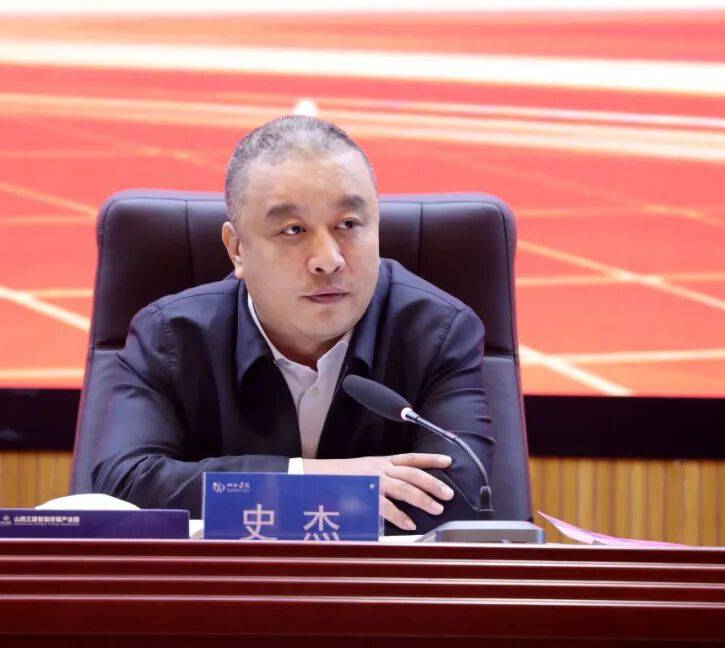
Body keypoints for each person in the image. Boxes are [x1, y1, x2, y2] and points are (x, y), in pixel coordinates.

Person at [93, 115, 493, 533]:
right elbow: (124, 487)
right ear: (237, 249)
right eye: (293, 230)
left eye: (349, 225)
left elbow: (462, 498)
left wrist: (261, 496)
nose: (328, 260)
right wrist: (315, 481)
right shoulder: (172, 337)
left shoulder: (439, 333)